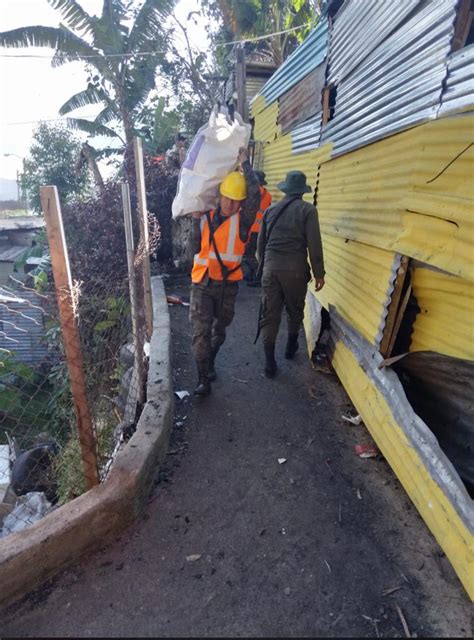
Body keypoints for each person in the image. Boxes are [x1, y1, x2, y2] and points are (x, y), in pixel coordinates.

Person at [190, 147, 260, 396]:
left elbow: (256, 195)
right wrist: (195, 223)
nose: (230, 204)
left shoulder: (243, 221)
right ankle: (202, 380)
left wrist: (245, 164)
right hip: (202, 283)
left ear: (241, 203)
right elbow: (194, 247)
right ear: (219, 196)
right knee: (201, 333)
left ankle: (210, 363)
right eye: (227, 198)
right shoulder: (204, 216)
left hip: (227, 286)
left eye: (236, 200)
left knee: (219, 332)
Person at [257, 170, 325, 378]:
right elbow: (314, 244)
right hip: (296, 270)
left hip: (271, 267)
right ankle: (290, 346)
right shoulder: (308, 210)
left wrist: (264, 266)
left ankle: (269, 363)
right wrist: (319, 273)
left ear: (285, 189)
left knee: (270, 313)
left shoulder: (271, 210)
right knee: (295, 309)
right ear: (302, 191)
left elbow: (261, 244)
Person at [242, 170, 272, 287]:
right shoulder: (268, 195)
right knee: (255, 254)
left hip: (251, 229)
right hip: (261, 230)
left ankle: (256, 276)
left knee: (248, 255)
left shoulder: (250, 193)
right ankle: (252, 275)